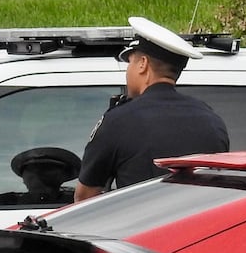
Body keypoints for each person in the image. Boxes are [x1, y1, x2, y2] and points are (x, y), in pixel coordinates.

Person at [74, 16, 229, 202]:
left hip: (141, 229)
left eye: (130, 62)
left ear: (143, 64)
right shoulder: (212, 120)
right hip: (201, 230)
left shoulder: (119, 121)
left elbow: (84, 199)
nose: (128, 71)